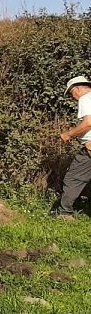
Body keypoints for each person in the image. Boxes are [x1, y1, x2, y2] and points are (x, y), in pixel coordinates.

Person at [56, 74, 91, 218]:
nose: (73, 97)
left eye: (71, 94)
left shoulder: (85, 98)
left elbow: (88, 122)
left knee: (73, 178)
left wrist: (68, 134)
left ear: (77, 89)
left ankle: (65, 213)